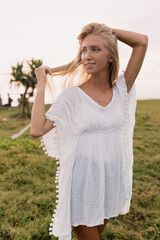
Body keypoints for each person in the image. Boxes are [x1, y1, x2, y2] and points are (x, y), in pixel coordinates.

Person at [30, 23, 148, 240]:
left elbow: (141, 41)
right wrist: (41, 84)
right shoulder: (72, 96)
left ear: (111, 56)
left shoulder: (121, 89)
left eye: (95, 49)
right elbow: (37, 129)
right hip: (83, 185)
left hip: (110, 181)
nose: (87, 56)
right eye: (84, 50)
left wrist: (107, 31)